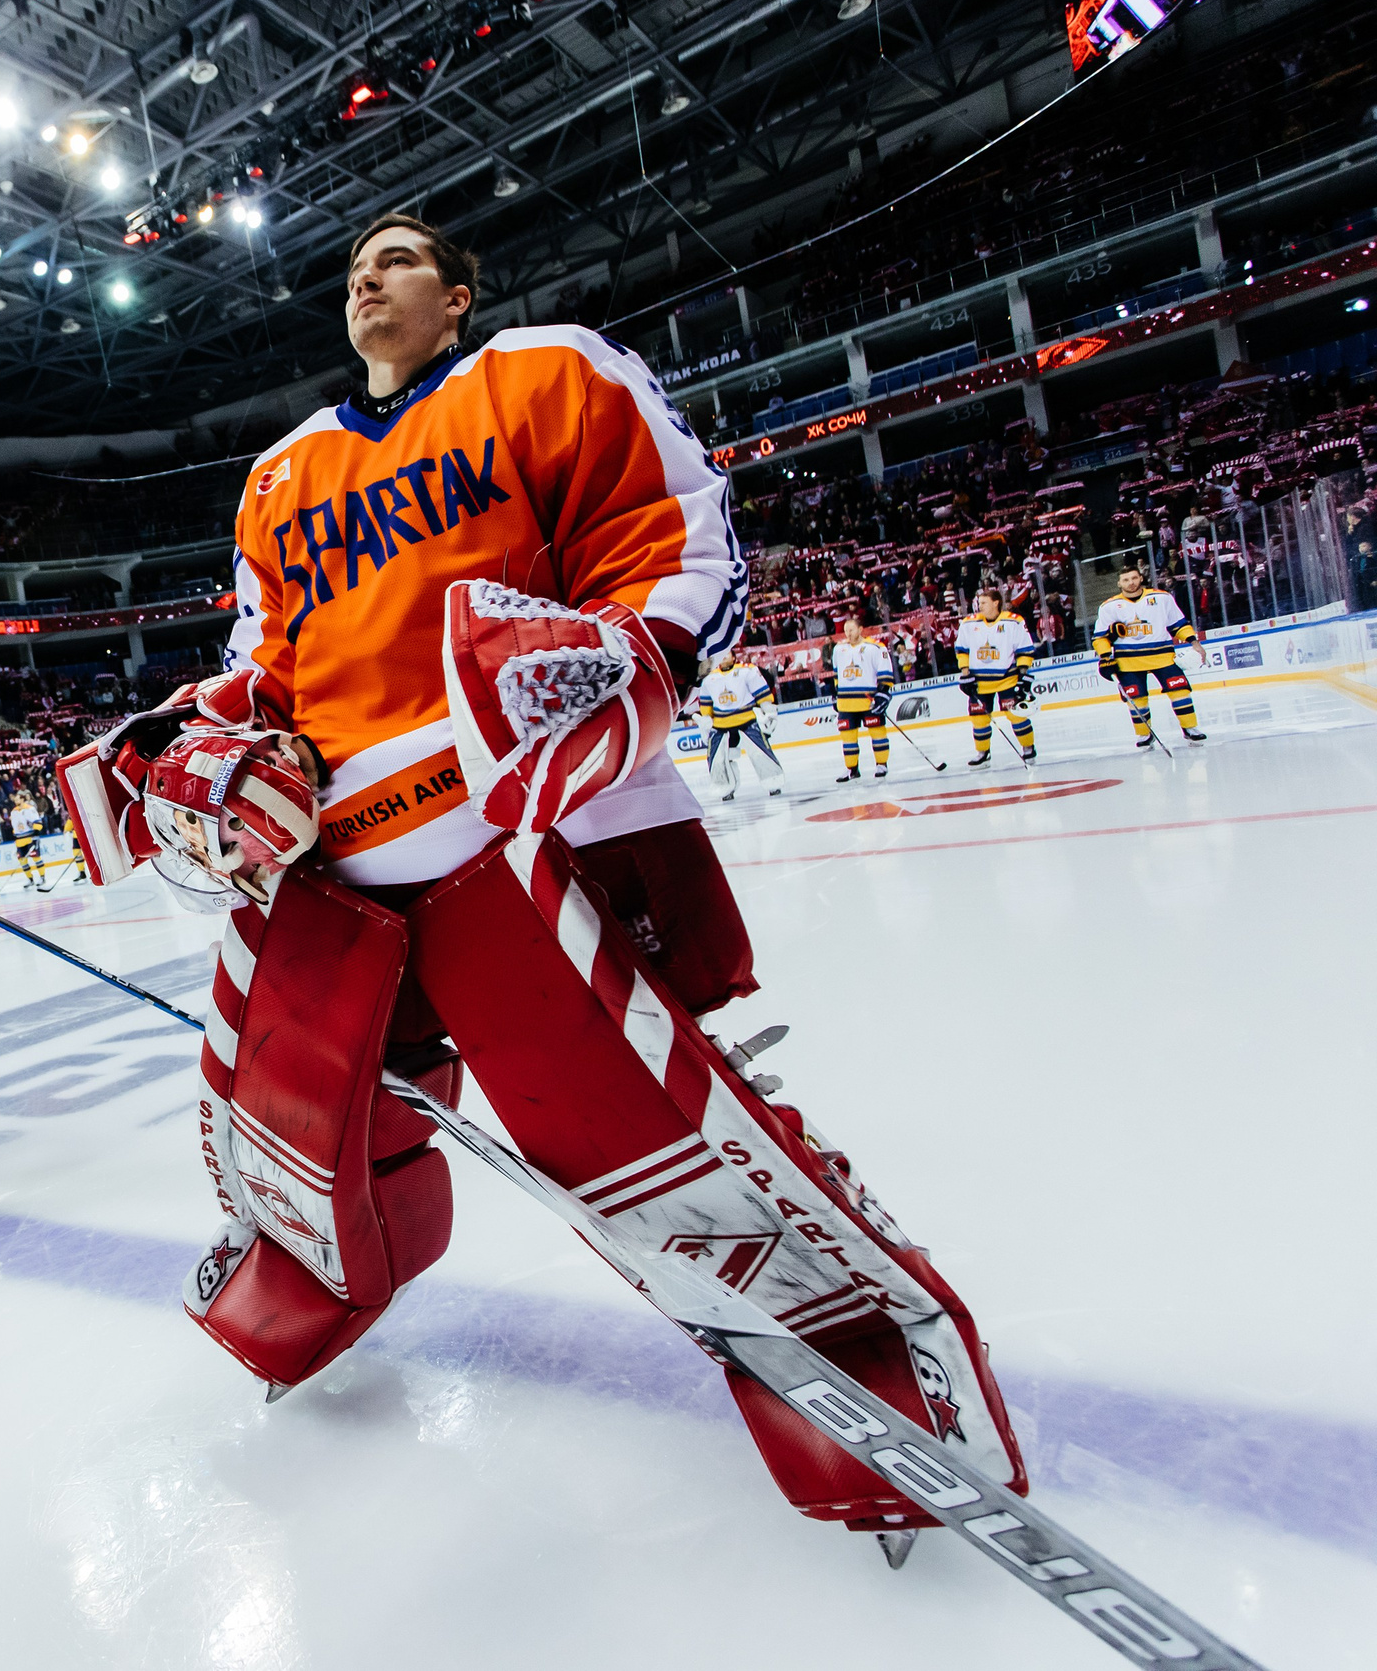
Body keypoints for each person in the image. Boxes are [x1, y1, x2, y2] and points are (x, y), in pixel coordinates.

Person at [56, 211, 1024, 1561]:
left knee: (663, 1152)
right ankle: (300, 1312)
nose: (366, 278)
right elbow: (264, 666)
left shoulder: (547, 374)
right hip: (332, 879)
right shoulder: (279, 475)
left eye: (397, 260)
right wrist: (194, 746)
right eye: (352, 269)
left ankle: (881, 1410)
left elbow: (678, 551)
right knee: (284, 1139)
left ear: (458, 295)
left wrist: (614, 671)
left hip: (518, 842)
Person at [1092, 563, 1207, 749]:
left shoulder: (1162, 598)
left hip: (1162, 655)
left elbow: (1178, 624)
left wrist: (1194, 642)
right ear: (1119, 583)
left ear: (1141, 578)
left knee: (1180, 690)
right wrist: (1106, 656)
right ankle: (1144, 735)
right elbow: (1099, 638)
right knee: (1136, 699)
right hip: (1127, 660)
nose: (1131, 583)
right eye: (1126, 580)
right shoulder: (1109, 606)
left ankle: (1190, 728)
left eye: (1134, 578)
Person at [953, 587, 1037, 766]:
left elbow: (1024, 650)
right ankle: (983, 752)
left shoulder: (1013, 622)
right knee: (979, 719)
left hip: (1007, 679)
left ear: (996, 602)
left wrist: (1023, 675)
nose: (979, 606)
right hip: (980, 682)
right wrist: (965, 673)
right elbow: (962, 650)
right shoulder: (969, 623)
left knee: (1016, 715)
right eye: (978, 602)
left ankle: (1028, 747)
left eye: (983, 602)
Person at [694, 652, 783, 800]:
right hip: (721, 722)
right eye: (722, 655)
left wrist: (767, 708)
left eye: (727, 654)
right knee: (717, 758)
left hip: (746, 717)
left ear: (734, 658)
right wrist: (706, 718)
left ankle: (773, 782)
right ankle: (725, 788)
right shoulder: (709, 678)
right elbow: (706, 703)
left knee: (760, 752)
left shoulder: (747, 671)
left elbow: (761, 693)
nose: (723, 657)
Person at [825, 615, 895, 783]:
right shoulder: (838, 649)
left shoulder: (875, 647)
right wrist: (836, 694)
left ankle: (881, 764)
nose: (848, 633)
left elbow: (885, 672)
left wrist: (883, 692)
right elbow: (837, 675)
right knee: (848, 737)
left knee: (877, 732)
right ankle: (851, 768)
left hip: (868, 700)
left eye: (851, 629)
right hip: (846, 702)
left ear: (860, 629)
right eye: (845, 630)